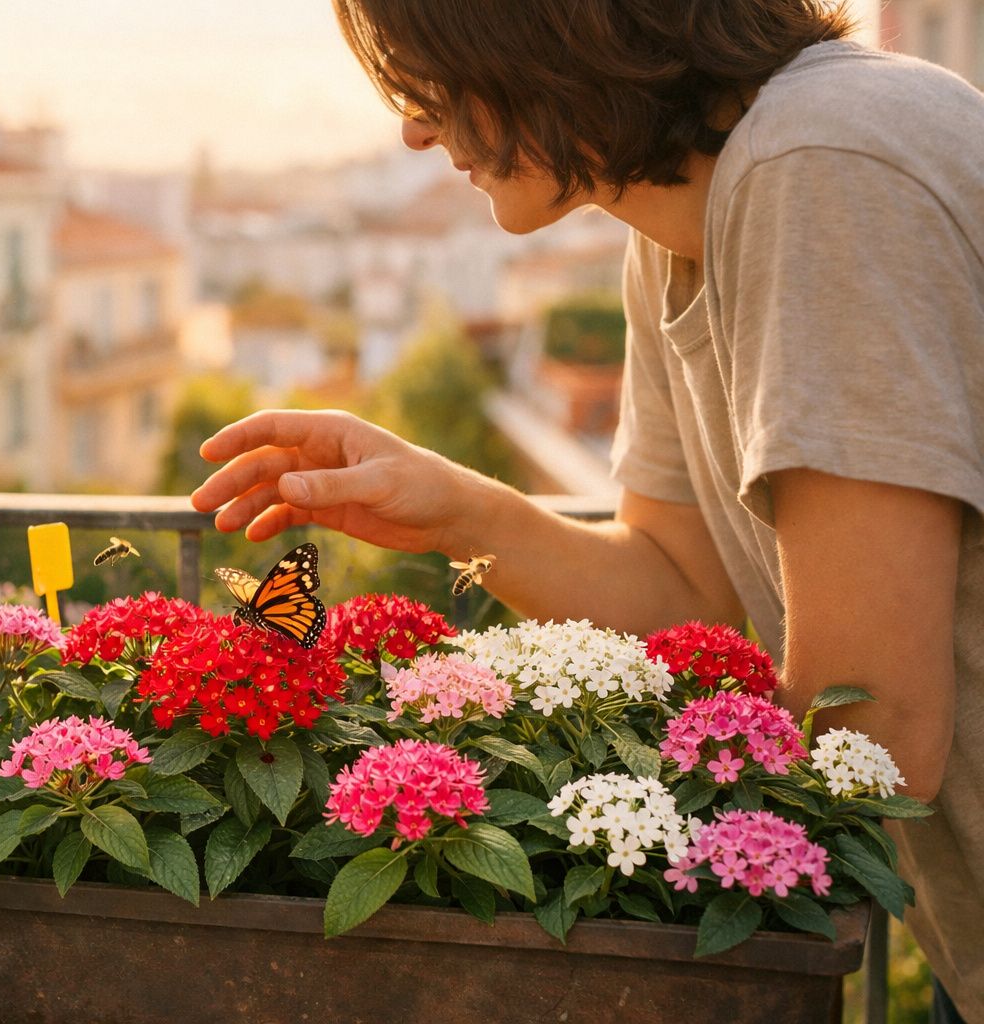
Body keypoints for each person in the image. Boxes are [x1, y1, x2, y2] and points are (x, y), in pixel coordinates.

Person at [190, 2, 984, 1018]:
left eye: (430, 73)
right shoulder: (678, 229)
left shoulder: (819, 166)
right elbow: (682, 586)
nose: (415, 131)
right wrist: (451, 509)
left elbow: (872, 728)